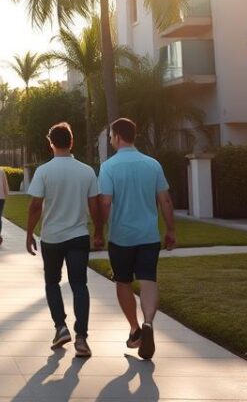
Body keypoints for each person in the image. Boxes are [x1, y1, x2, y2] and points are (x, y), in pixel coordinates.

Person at [97, 117, 176, 360]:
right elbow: (165, 200)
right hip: (149, 236)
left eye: (111, 136)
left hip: (121, 237)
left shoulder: (109, 167)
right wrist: (170, 229)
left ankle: (134, 329)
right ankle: (149, 322)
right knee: (148, 280)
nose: (110, 140)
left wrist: (99, 231)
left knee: (123, 282)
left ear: (118, 136)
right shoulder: (152, 164)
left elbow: (106, 202)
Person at [25, 122, 102, 357]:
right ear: (71, 142)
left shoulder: (44, 171)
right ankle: (81, 338)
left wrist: (29, 233)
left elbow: (35, 206)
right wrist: (99, 232)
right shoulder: (86, 171)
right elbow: (95, 205)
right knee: (80, 285)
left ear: (51, 143)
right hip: (79, 236)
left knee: (52, 283)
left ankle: (60, 327)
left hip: (52, 238)